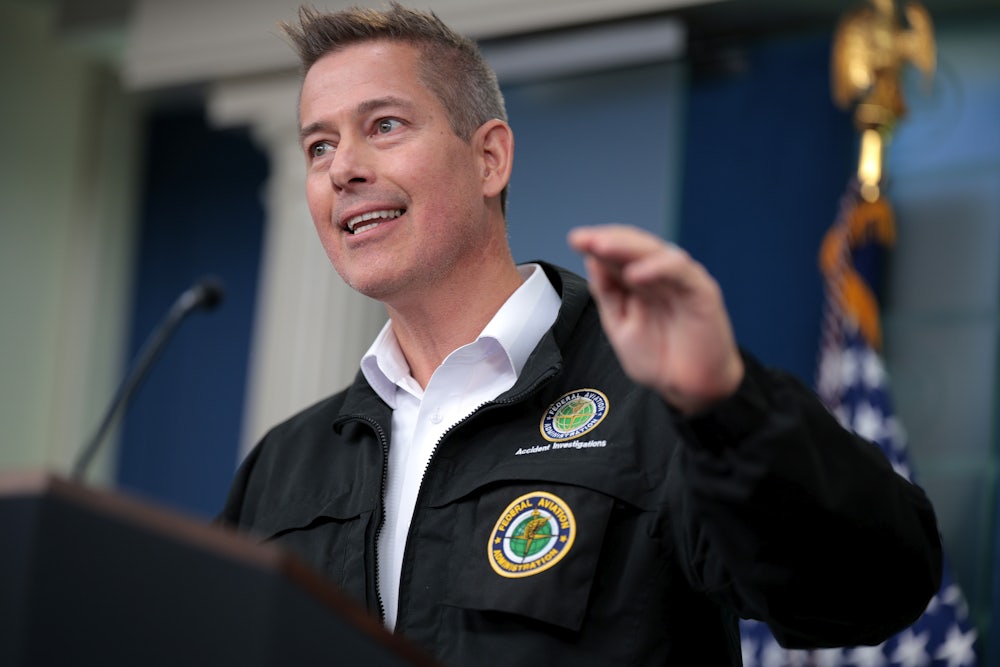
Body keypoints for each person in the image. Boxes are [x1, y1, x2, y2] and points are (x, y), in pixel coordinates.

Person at [219, 4, 942, 665]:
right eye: (318, 145)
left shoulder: (664, 404)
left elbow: (873, 588)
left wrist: (730, 405)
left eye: (383, 126)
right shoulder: (282, 465)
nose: (343, 168)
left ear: (489, 158)